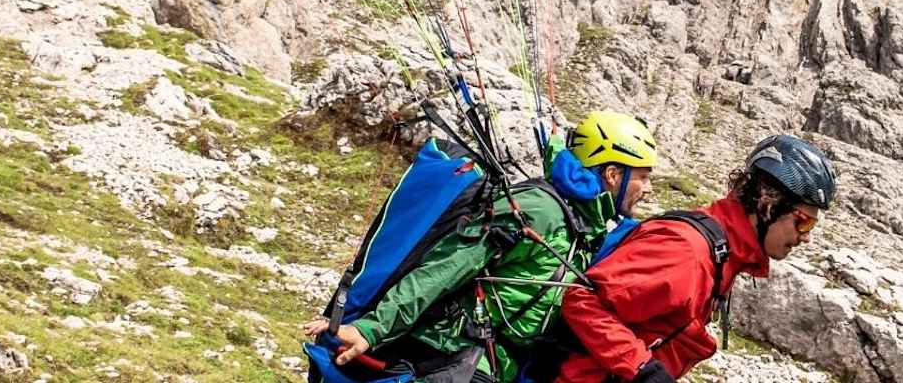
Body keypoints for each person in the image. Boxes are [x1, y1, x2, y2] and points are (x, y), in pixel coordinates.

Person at [305, 111, 660, 383]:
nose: (647, 188)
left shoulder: (585, 223)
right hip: (453, 357)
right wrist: (371, 329)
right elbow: (446, 267)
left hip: (493, 366)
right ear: (613, 174)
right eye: (643, 177)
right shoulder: (539, 210)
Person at [553, 134, 837, 383]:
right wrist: (642, 368)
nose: (806, 237)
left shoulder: (725, 253)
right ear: (768, 203)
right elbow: (583, 300)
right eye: (804, 222)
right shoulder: (688, 250)